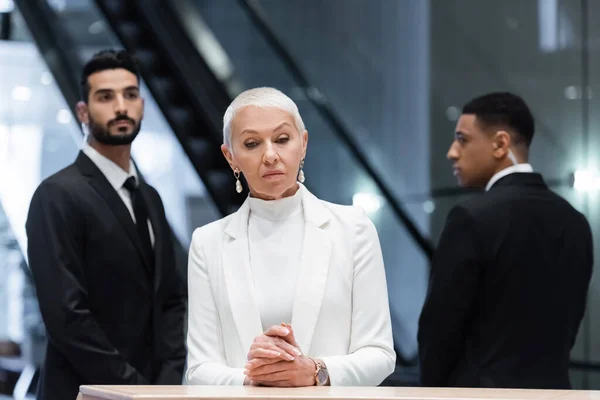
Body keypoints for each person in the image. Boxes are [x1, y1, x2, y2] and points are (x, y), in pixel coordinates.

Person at [185, 87, 395, 387]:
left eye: (282, 139)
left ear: (303, 143)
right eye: (252, 143)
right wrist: (256, 377)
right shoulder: (207, 242)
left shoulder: (354, 228)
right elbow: (199, 368)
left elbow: (379, 353)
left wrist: (314, 370)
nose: (270, 155)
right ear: (230, 156)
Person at [25, 49, 186, 400]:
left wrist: (168, 382)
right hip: (83, 392)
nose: (121, 107)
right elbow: (67, 316)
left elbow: (172, 299)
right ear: (83, 112)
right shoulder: (57, 194)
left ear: (142, 104)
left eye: (130, 94)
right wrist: (132, 388)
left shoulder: (150, 197)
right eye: (105, 97)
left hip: (154, 391)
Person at [417, 92, 593, 389]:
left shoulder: (470, 218)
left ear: (500, 144)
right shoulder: (575, 221)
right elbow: (569, 331)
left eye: (462, 139)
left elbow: (438, 333)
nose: (452, 152)